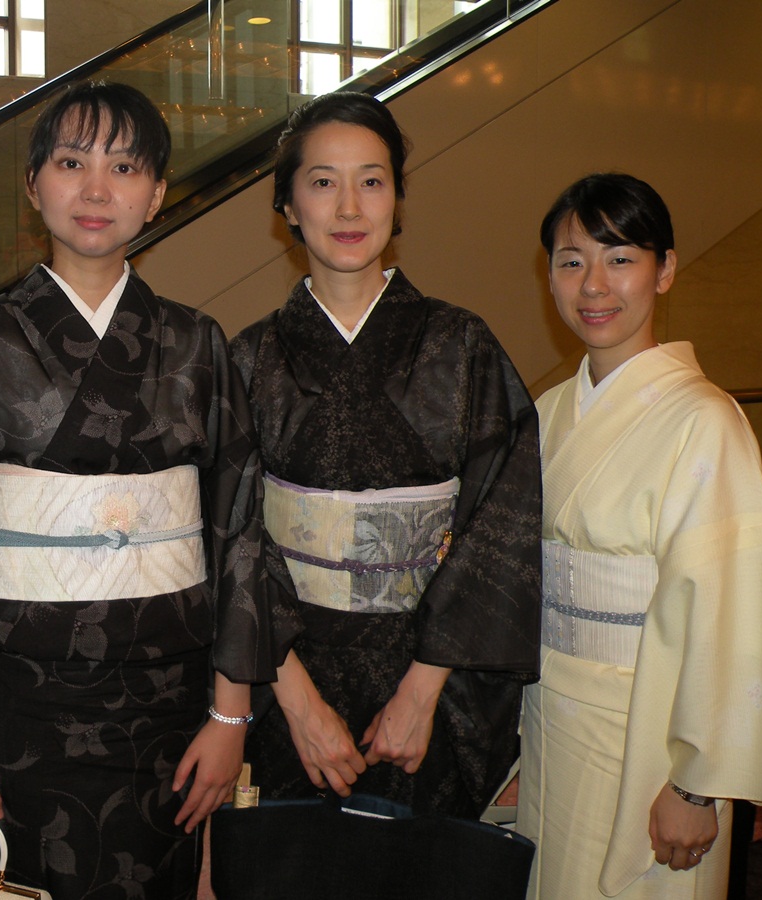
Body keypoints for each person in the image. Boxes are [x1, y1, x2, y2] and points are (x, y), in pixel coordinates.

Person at [0, 80, 293, 900]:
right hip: (14, 708)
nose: (96, 190)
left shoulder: (196, 343)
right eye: (70, 163)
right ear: (33, 184)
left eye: (124, 168)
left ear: (156, 195)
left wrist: (230, 717)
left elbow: (238, 531)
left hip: (165, 710)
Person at [230, 91, 542, 818]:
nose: (349, 208)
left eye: (371, 181)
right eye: (322, 182)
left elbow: (503, 525)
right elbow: (231, 538)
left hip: (432, 685)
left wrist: (422, 690)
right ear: (287, 205)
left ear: (398, 199)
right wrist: (299, 704)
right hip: (288, 686)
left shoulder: (461, 346)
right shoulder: (249, 358)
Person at [515, 173, 762, 898]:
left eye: (621, 258)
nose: (593, 285)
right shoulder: (548, 411)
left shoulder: (706, 420)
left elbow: (729, 612)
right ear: (549, 276)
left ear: (664, 270)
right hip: (551, 716)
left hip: (651, 732)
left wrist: (697, 784)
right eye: (571, 261)